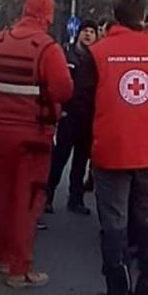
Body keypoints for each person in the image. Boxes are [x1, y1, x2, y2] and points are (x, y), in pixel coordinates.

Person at [71, 0, 148, 295]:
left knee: (114, 223)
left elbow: (83, 102)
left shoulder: (99, 53)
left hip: (111, 149)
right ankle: (146, 291)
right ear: (143, 16)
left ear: (115, 15)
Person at [0, 0, 74, 288]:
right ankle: (20, 268)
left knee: (3, 196)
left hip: (0, 133)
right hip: (35, 135)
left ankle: (3, 257)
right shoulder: (47, 48)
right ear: (46, 15)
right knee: (28, 200)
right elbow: (62, 90)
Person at [47, 19, 97, 215]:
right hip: (69, 115)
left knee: (80, 162)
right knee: (59, 158)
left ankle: (75, 200)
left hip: (88, 116)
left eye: (92, 32)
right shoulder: (67, 54)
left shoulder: (97, 58)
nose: (88, 35)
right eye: (85, 30)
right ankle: (47, 196)